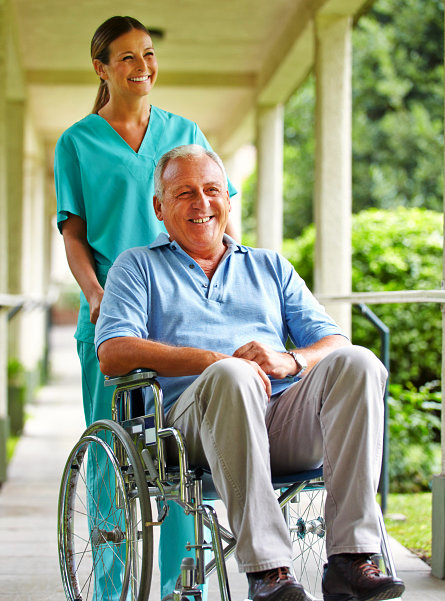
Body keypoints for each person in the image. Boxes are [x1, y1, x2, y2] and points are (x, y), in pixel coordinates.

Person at [95, 144, 406, 601]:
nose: (202, 204)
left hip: (280, 418)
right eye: (184, 194)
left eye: (212, 190)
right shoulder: (138, 266)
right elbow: (113, 351)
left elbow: (334, 340)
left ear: (227, 198)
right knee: (233, 377)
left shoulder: (269, 266)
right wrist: (210, 360)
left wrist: (292, 361)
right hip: (191, 429)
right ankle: (268, 570)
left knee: (359, 361)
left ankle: (350, 558)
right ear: (159, 207)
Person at [54, 16, 237, 599]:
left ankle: (183, 591)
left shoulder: (184, 131)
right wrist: (94, 294)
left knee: (181, 460)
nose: (142, 67)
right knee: (113, 458)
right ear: (102, 68)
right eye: (127, 57)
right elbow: (74, 232)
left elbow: (216, 213)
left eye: (148, 54)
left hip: (181, 310)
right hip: (114, 316)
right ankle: (110, 591)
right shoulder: (77, 142)